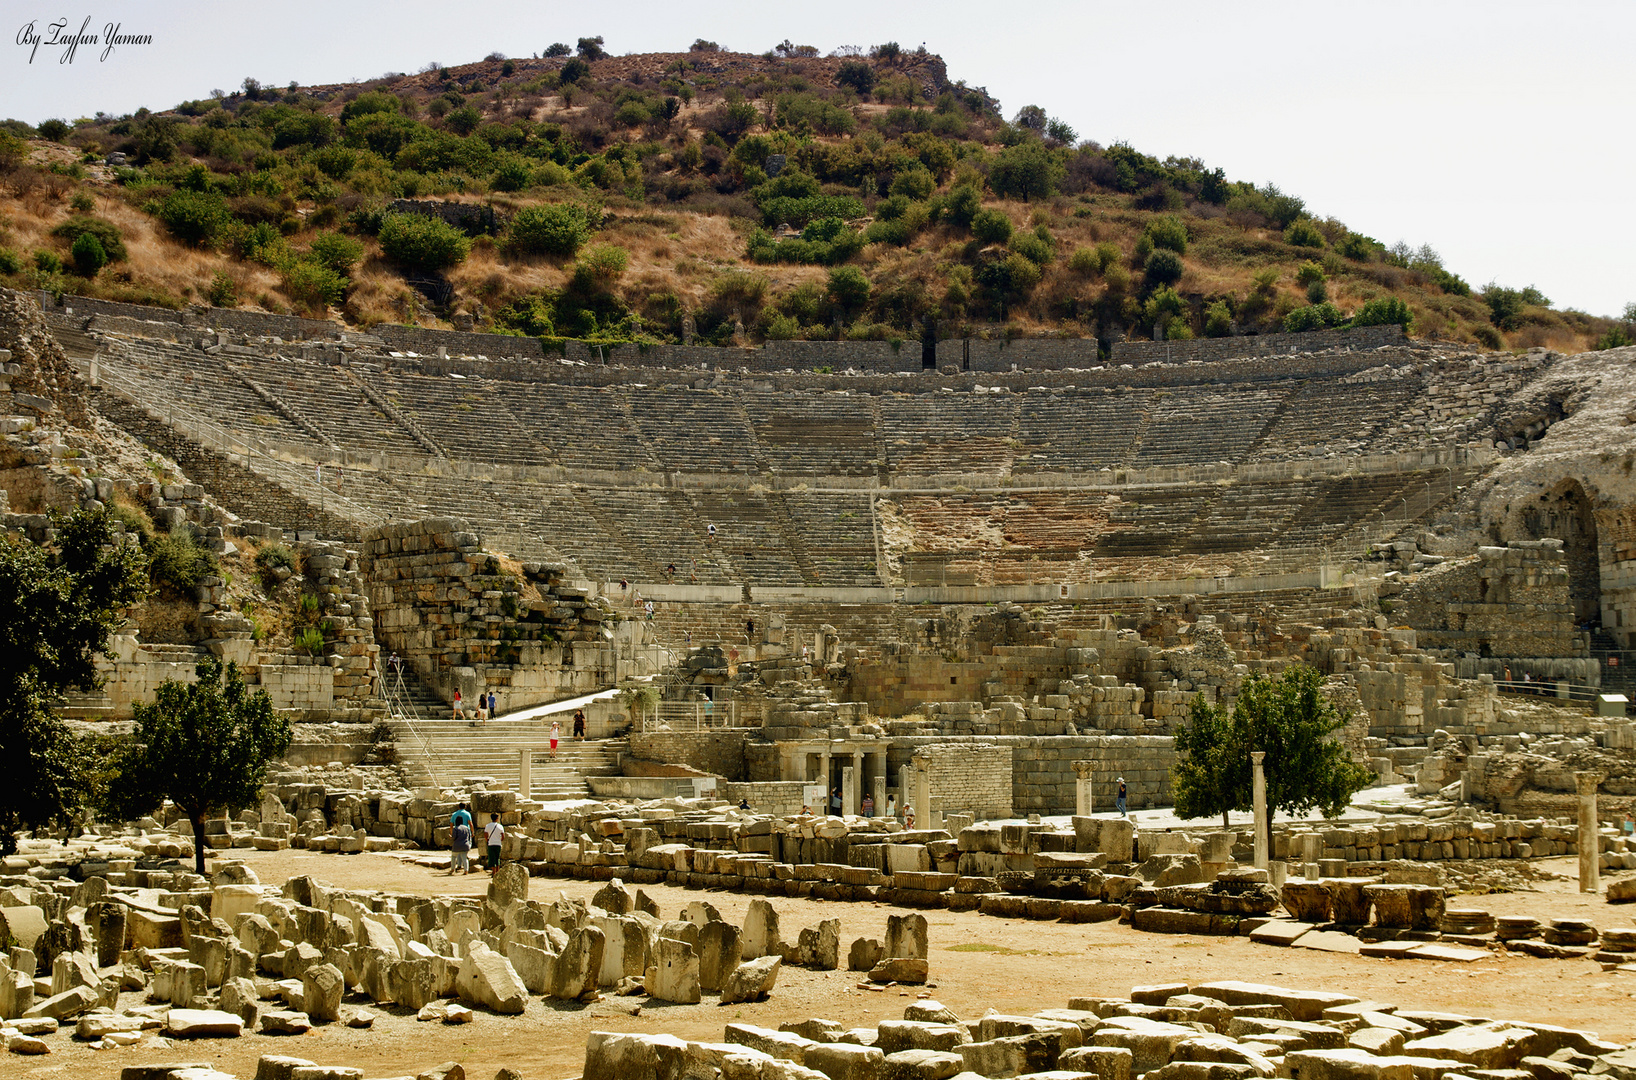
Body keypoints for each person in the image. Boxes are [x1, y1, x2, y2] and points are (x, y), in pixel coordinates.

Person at [450, 803, 475, 873]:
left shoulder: (454, 814)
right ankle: (465, 869)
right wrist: (472, 832)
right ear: (465, 807)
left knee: (455, 853)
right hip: (465, 834)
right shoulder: (467, 814)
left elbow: (451, 825)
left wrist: (451, 834)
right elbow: (470, 823)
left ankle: (457, 866)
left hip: (457, 835)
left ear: (458, 807)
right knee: (464, 855)